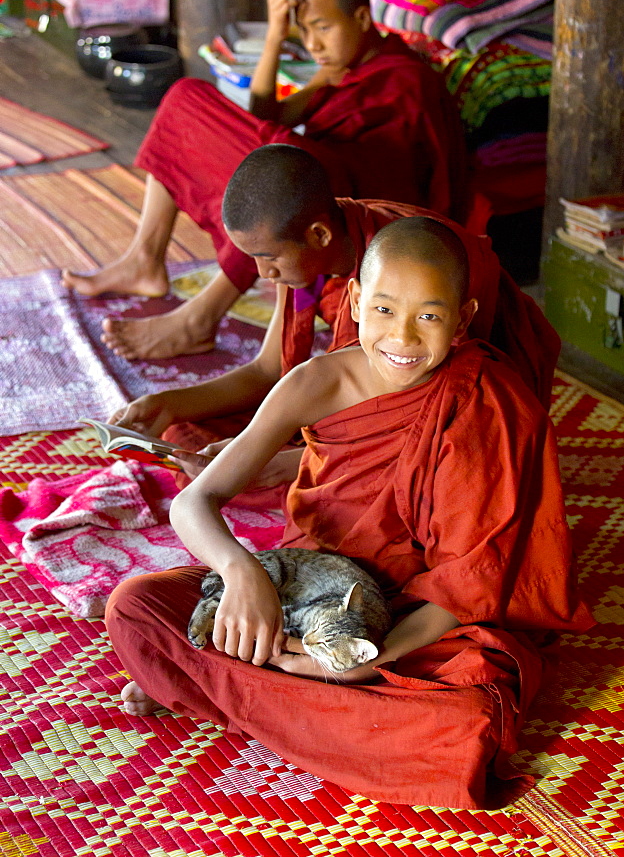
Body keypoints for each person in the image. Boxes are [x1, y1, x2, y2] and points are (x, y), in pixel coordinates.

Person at [106, 217, 593, 810]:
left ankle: (210, 682)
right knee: (133, 606)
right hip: (305, 597)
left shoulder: (488, 400)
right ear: (357, 302)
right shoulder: (315, 383)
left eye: (429, 317)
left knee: (468, 716)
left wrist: (363, 667)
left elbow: (469, 583)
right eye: (385, 310)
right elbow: (194, 500)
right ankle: (260, 688)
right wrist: (241, 573)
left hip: (415, 622)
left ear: (462, 319)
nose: (404, 338)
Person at [61, 0, 466, 361]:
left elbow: (406, 181)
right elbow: (263, 115)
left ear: (361, 18)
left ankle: (200, 317)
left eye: (324, 28)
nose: (314, 45)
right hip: (326, 175)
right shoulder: (340, 69)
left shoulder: (407, 78)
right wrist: (275, 35)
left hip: (357, 203)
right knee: (186, 98)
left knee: (285, 164)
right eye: (304, 31)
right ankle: (143, 258)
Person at [107, 145, 560, 482]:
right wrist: (168, 403)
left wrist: (283, 463)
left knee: (282, 473)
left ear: (319, 234)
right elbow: (270, 369)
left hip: (460, 415)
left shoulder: (401, 272)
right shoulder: (309, 261)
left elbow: (428, 410)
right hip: (394, 393)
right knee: (192, 433)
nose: (262, 274)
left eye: (269, 259)